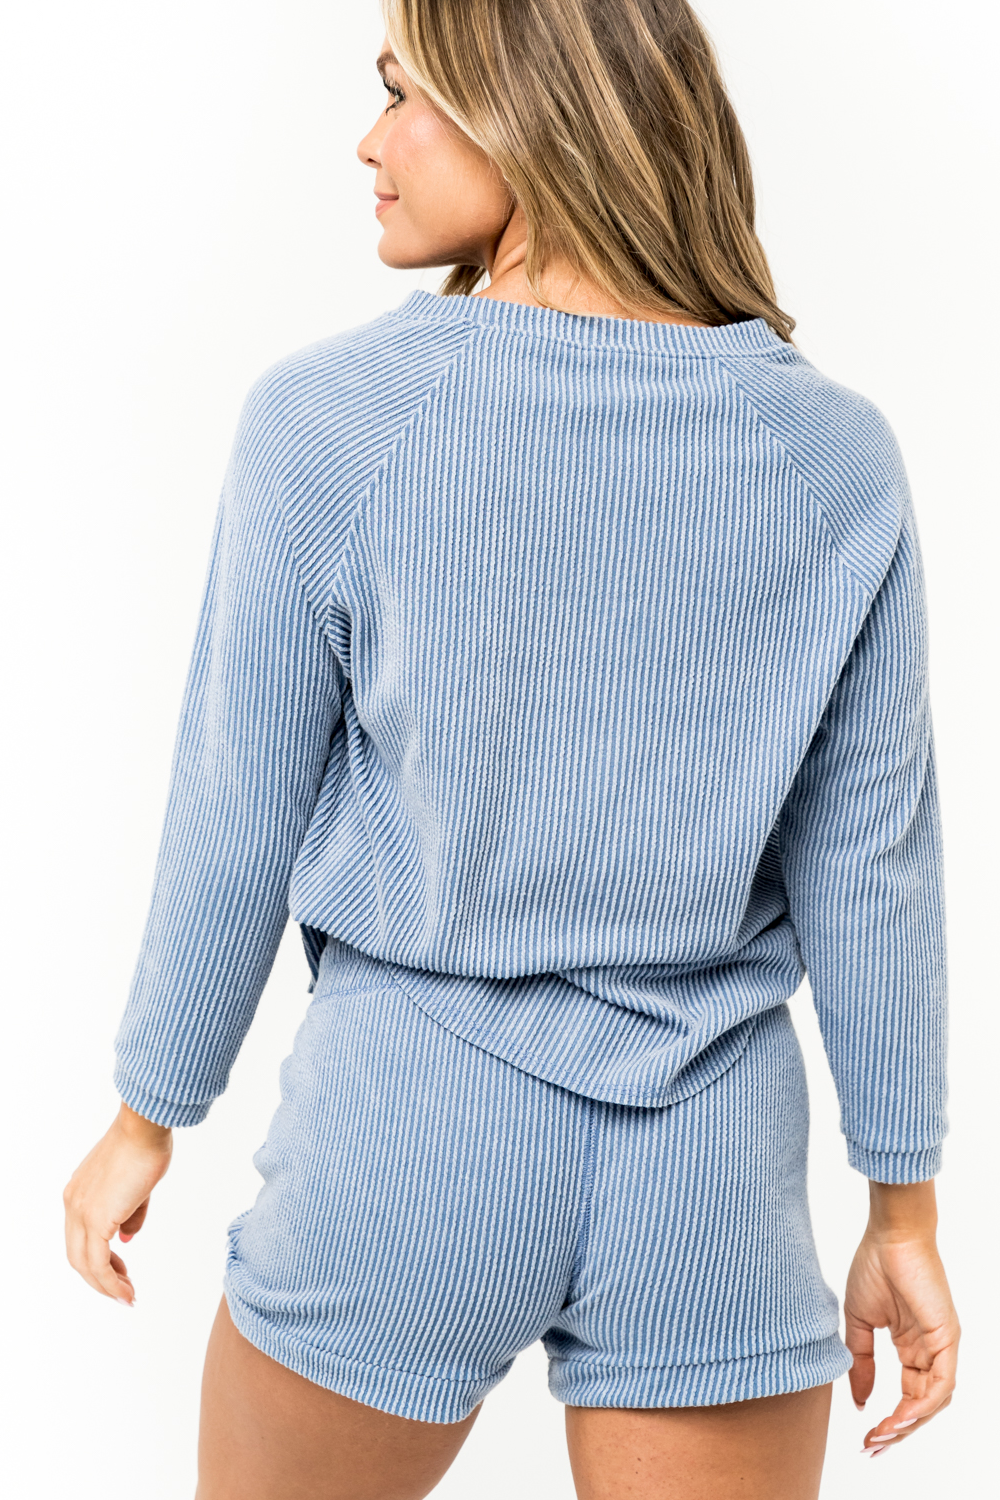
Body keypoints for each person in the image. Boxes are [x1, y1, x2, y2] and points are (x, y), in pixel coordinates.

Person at [62, 2, 960, 1496]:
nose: (368, 141)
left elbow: (238, 808)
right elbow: (877, 864)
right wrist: (902, 1207)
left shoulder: (334, 421)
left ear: (527, 112)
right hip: (711, 1165)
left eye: (403, 93)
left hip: (408, 1130)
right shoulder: (833, 457)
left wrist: (146, 1115)